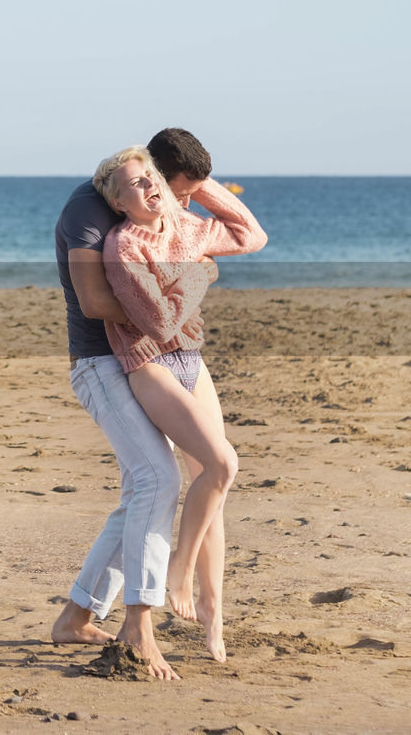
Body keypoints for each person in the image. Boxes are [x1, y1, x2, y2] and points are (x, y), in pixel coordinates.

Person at [49, 128, 216, 680]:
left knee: (141, 491)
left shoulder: (151, 211)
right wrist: (167, 307)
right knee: (158, 481)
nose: (175, 202)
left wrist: (173, 296)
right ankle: (139, 622)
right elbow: (96, 302)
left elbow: (234, 234)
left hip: (141, 361)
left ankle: (77, 616)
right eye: (173, 189)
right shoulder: (88, 213)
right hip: (100, 365)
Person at [92, 137, 267, 662]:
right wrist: (202, 271)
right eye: (136, 185)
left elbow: (252, 235)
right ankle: (179, 571)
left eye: (152, 179)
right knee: (222, 462)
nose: (148, 189)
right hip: (149, 365)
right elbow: (160, 322)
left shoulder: (187, 225)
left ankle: (213, 619)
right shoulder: (124, 246)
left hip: (193, 362)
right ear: (118, 202)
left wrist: (195, 182)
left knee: (215, 487)